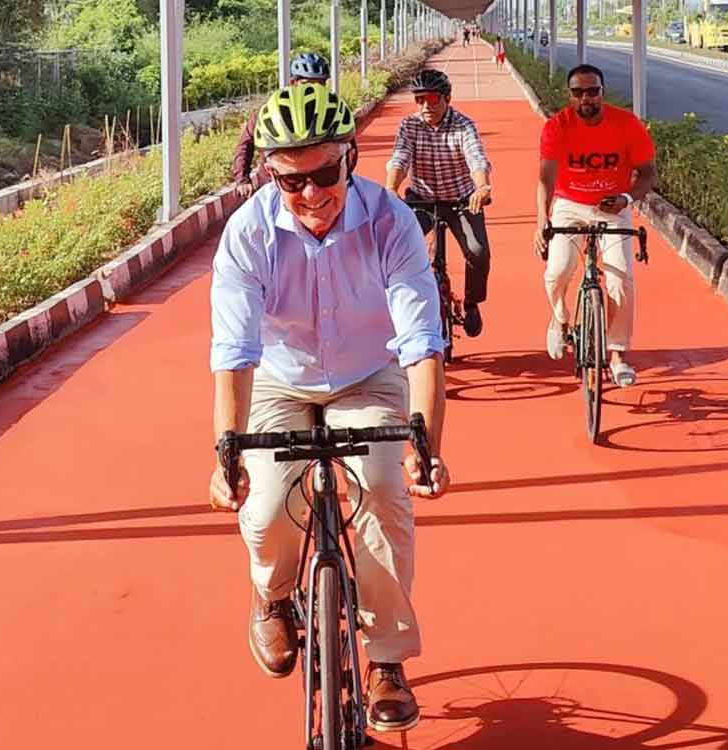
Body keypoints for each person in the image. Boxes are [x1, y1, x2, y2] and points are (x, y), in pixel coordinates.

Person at [209, 82, 451, 734]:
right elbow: (234, 351)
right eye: (292, 182)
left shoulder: (390, 222)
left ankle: (387, 660)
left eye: (325, 175)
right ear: (271, 175)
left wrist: (427, 447)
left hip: (367, 377)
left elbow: (422, 342)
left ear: (350, 158)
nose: (312, 194)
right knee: (265, 505)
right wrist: (226, 452)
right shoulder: (248, 232)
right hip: (280, 383)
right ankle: (273, 597)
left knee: (381, 488)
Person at [533, 64, 658, 387]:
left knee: (621, 278)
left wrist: (626, 200)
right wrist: (542, 220)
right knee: (557, 271)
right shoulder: (557, 127)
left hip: (613, 207)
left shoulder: (626, 124)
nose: (585, 98)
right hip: (570, 206)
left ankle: (617, 354)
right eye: (578, 92)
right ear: (569, 95)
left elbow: (648, 173)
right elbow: (545, 179)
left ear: (602, 92)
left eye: (592, 91)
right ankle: (560, 319)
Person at [385, 68, 493, 339]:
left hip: (461, 201)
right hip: (421, 200)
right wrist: (391, 189)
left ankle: (472, 303)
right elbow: (400, 158)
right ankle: (403, 303)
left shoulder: (463, 125)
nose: (425, 106)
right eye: (419, 99)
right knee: (395, 247)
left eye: (432, 98)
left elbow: (476, 158)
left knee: (478, 251)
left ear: (447, 98)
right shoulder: (409, 125)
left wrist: (482, 187)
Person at [232, 52, 331, 199]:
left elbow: (347, 146)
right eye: (307, 84)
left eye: (319, 85)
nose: (312, 90)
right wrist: (242, 180)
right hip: (275, 185)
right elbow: (245, 145)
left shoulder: (330, 112)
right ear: (293, 83)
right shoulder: (270, 111)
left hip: (318, 186)